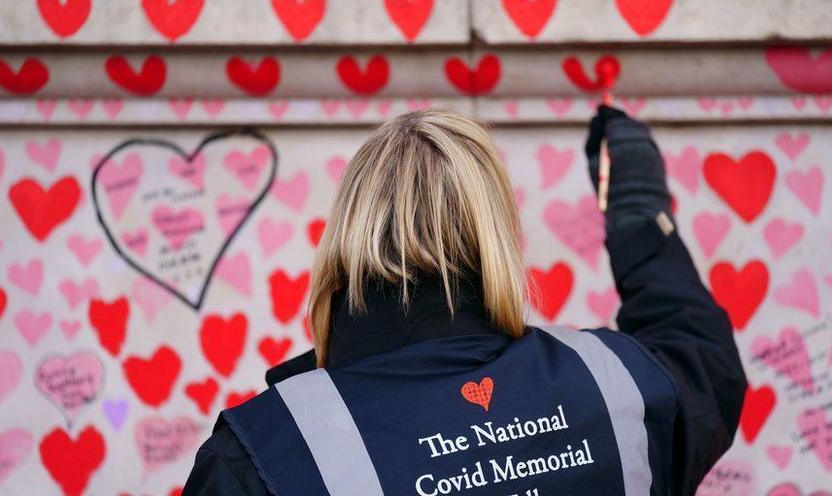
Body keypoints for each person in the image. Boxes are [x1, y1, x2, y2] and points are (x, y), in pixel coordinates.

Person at [182, 106, 747, 495]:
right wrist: (638, 206)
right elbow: (704, 358)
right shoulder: (619, 387)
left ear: (345, 237)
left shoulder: (265, 452)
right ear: (495, 232)